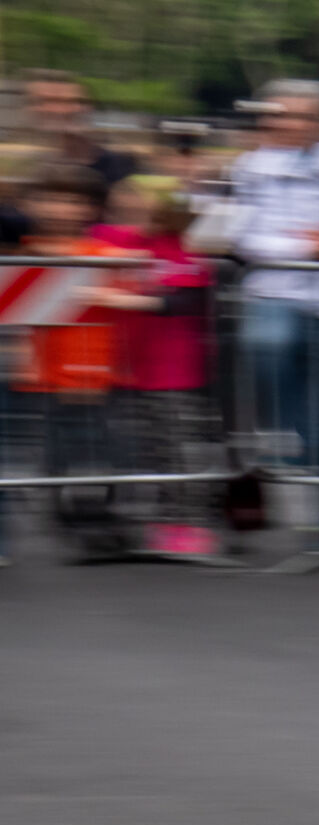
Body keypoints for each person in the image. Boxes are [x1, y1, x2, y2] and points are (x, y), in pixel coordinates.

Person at [217, 80, 319, 558]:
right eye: (280, 115)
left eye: (302, 116)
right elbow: (245, 238)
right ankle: (299, 442)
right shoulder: (249, 165)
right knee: (268, 358)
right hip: (274, 296)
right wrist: (308, 247)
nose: (289, 124)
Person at [14, 164, 156, 547]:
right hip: (51, 368)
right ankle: (66, 513)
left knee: (107, 442)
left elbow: (132, 295)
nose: (62, 209)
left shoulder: (104, 254)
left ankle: (104, 513)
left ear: (88, 207)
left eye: (73, 201)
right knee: (60, 443)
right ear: (35, 204)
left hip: (101, 365)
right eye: (54, 199)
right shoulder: (22, 253)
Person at [93, 176, 222, 557]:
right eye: (132, 203)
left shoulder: (186, 248)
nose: (140, 212)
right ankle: (140, 523)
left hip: (174, 369)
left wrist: (115, 298)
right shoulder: (112, 239)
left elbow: (180, 301)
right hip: (125, 366)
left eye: (149, 205)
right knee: (139, 450)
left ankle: (185, 523)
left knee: (178, 449)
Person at [22, 70, 139, 191]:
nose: (56, 109)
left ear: (88, 107)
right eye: (42, 101)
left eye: (68, 101)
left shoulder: (118, 164)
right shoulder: (23, 166)